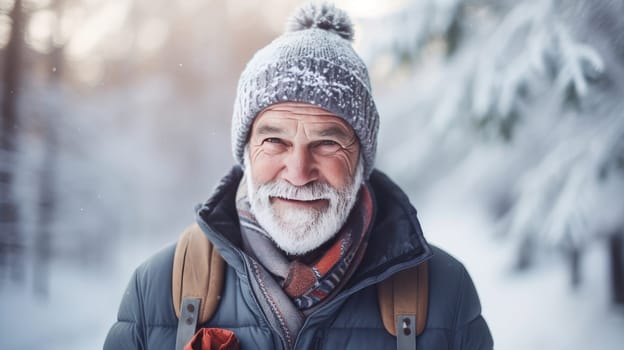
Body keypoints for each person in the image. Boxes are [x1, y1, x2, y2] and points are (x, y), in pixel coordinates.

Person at [104, 2, 493, 349]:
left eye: (327, 143)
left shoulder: (445, 296)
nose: (298, 173)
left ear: (361, 160)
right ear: (246, 152)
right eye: (275, 140)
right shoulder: (158, 289)